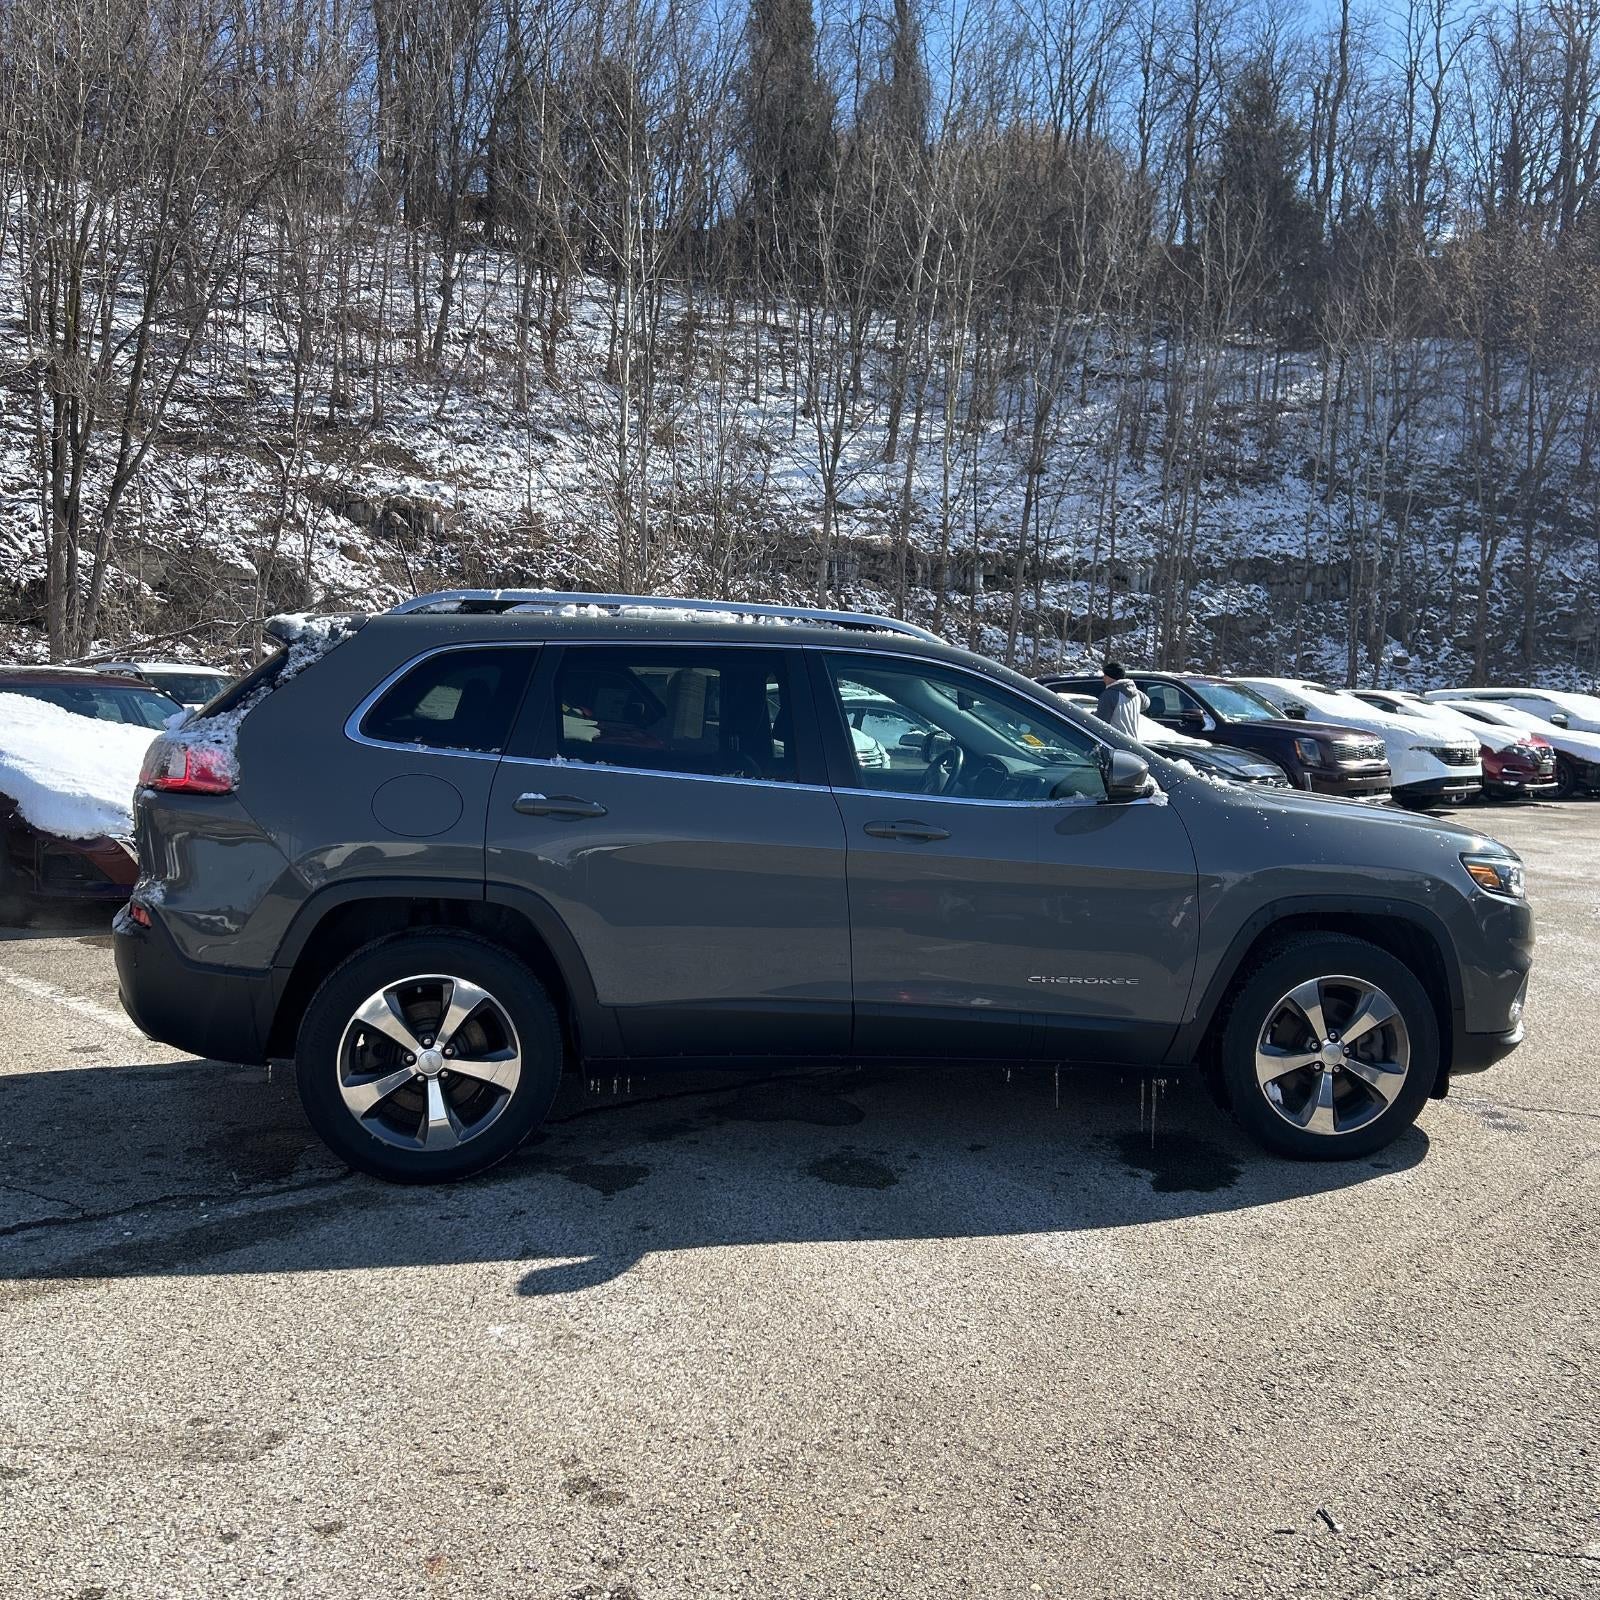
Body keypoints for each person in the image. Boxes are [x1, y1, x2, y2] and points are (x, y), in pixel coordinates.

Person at [1095, 659, 1148, 735]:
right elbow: (1147, 703)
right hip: (1133, 742)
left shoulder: (1109, 695)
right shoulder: (1136, 693)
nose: (1103, 678)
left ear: (1111, 676)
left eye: (1105, 675)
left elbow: (1100, 723)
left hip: (1115, 742)